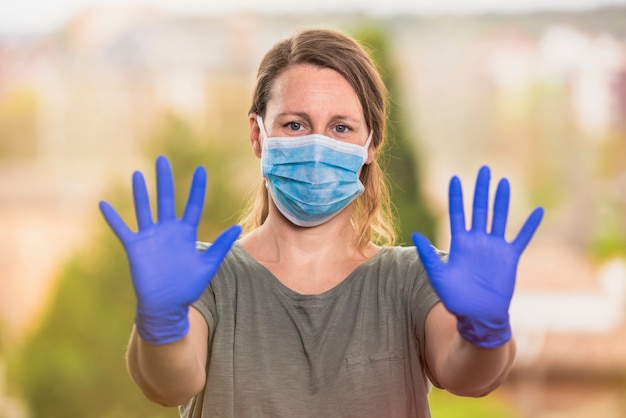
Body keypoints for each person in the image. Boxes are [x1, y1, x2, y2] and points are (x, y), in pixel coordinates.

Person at [99, 27, 544, 418]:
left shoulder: (412, 281)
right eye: (294, 125)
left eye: (341, 128)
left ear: (371, 144)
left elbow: (468, 377)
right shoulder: (207, 279)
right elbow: (168, 384)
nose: (316, 144)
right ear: (258, 135)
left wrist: (486, 332)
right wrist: (161, 325)